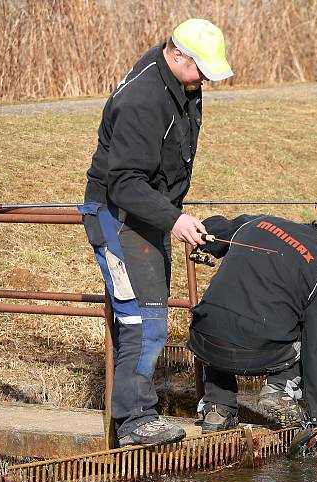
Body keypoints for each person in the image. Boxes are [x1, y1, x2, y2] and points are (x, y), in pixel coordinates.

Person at [79, 19, 233, 446]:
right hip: (117, 217)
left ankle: (138, 410)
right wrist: (176, 220)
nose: (206, 80)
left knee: (153, 317)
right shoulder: (143, 100)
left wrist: (171, 214)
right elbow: (123, 182)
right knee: (142, 321)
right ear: (178, 55)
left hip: (151, 214)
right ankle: (133, 421)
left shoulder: (181, 84)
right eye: (201, 69)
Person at [186, 212, 317, 458]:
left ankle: (218, 407)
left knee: (223, 318)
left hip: (203, 339)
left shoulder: (260, 222)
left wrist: (197, 225)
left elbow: (210, 231)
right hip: (257, 351)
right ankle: (279, 389)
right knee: (306, 331)